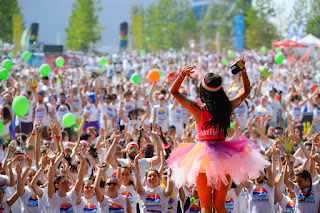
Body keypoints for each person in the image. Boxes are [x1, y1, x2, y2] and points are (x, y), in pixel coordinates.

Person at [167, 62, 270, 212]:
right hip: (225, 157)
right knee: (220, 206)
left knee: (206, 206)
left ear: (203, 90)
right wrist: (243, 70)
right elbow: (247, 91)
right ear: (220, 90)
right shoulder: (227, 107)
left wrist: (182, 75)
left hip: (202, 157)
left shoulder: (198, 110)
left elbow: (174, 92)